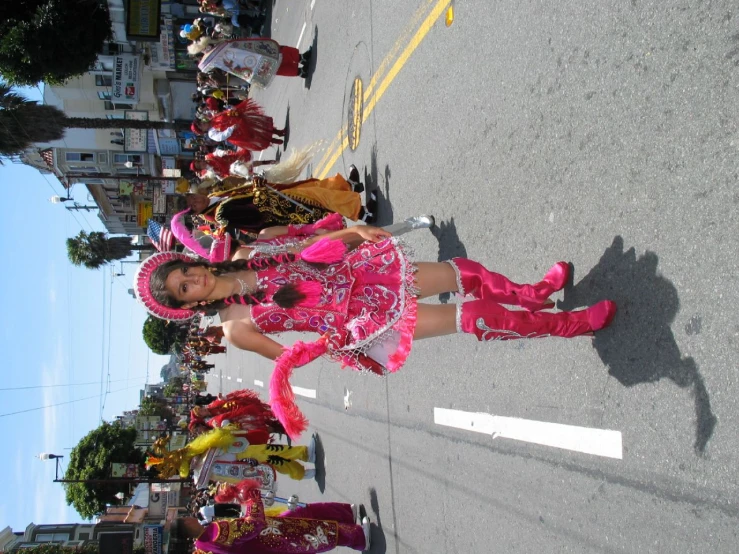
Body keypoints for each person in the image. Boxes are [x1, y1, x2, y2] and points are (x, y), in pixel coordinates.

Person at [135, 224, 617, 439]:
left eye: (185, 273)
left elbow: (306, 251)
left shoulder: (241, 257)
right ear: (190, 306)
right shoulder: (236, 328)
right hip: (363, 322)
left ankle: (531, 292)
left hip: (364, 275)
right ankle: (570, 325)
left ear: (189, 261)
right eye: (184, 291)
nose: (193, 282)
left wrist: (353, 234)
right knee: (469, 317)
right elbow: (292, 355)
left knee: (462, 272)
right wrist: (329, 341)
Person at [172, 479, 370, 553]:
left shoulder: (202, 547)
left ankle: (346, 514)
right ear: (188, 523)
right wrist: (250, 497)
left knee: (303, 512)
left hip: (269, 536)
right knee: (315, 533)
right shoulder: (215, 533)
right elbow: (252, 525)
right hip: (271, 538)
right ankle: (359, 538)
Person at [185, 175, 376, 238]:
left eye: (191, 198)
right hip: (284, 212)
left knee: (314, 187)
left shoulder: (213, 196)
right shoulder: (221, 215)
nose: (195, 201)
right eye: (192, 206)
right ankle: (361, 212)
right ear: (195, 212)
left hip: (280, 197)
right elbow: (256, 216)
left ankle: (350, 186)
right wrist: (259, 189)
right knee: (320, 197)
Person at [192, 99, 285, 151]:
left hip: (241, 121)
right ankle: (275, 140)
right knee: (257, 136)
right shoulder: (211, 133)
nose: (203, 123)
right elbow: (221, 137)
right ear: (202, 130)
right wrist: (231, 128)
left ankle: (278, 132)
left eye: (201, 122)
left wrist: (231, 110)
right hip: (239, 133)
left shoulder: (213, 118)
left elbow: (226, 113)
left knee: (259, 126)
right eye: (201, 125)